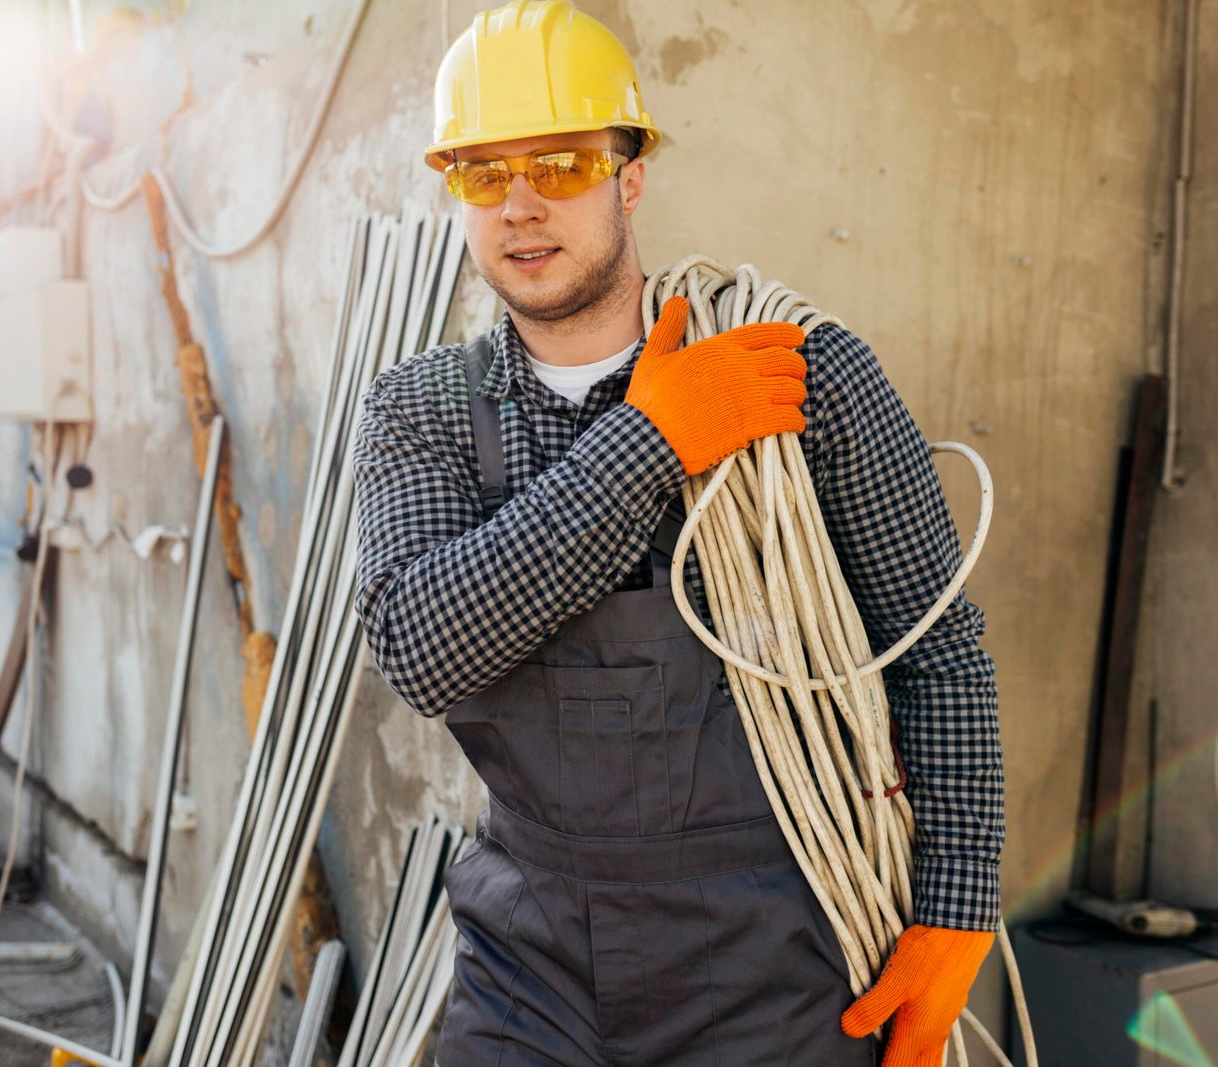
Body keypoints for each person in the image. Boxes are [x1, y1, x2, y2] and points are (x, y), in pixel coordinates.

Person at [351, 3, 1004, 1064]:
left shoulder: (801, 376)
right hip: (529, 960)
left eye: (560, 163)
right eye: (482, 174)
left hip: (777, 959)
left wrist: (957, 908)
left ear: (631, 175)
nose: (521, 206)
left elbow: (933, 649)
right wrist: (653, 439)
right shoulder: (423, 408)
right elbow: (425, 649)